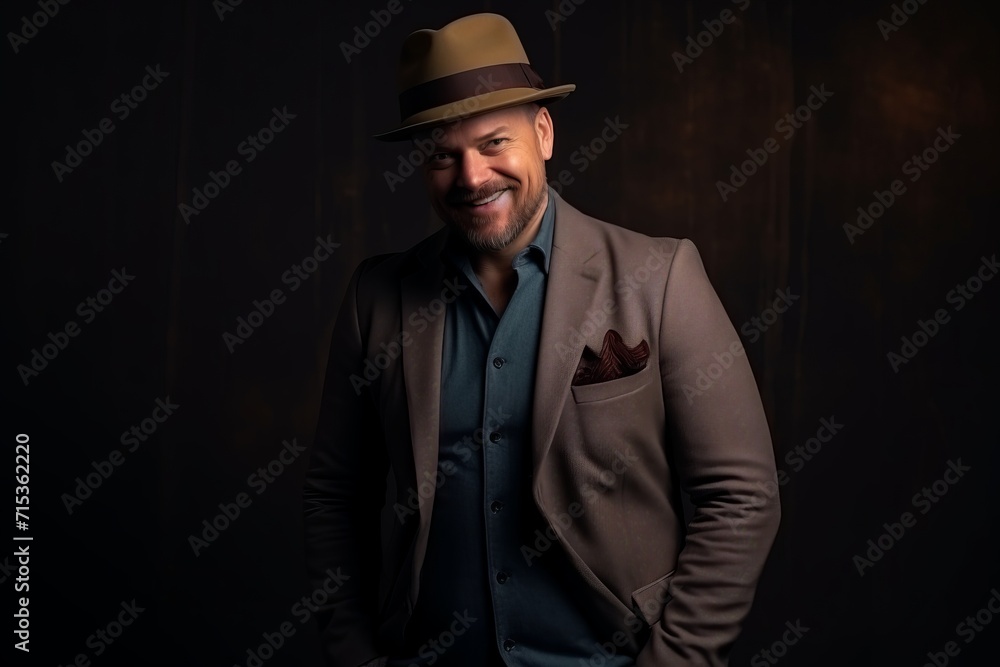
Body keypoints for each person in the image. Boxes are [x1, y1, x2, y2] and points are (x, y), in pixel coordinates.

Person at [303, 12, 780, 667]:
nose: (472, 177)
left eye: (494, 142)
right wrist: (354, 653)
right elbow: (334, 495)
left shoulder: (661, 278)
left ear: (544, 133)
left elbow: (742, 496)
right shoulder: (377, 299)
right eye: (444, 154)